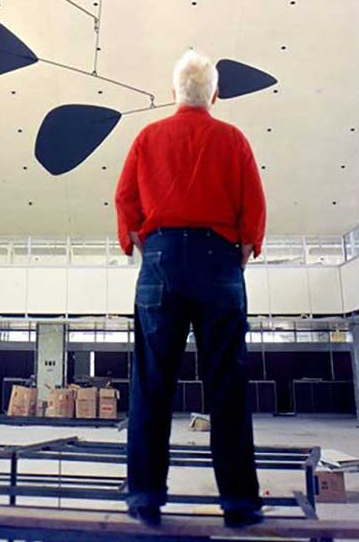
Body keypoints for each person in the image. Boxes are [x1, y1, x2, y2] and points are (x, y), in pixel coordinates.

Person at [114, 49, 267, 528]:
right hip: (218, 262)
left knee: (151, 383)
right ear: (215, 95)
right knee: (227, 384)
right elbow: (254, 208)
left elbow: (125, 200)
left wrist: (148, 246)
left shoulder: (148, 137)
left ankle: (145, 498)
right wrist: (239, 254)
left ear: (173, 93)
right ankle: (239, 504)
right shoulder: (233, 139)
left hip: (161, 260)